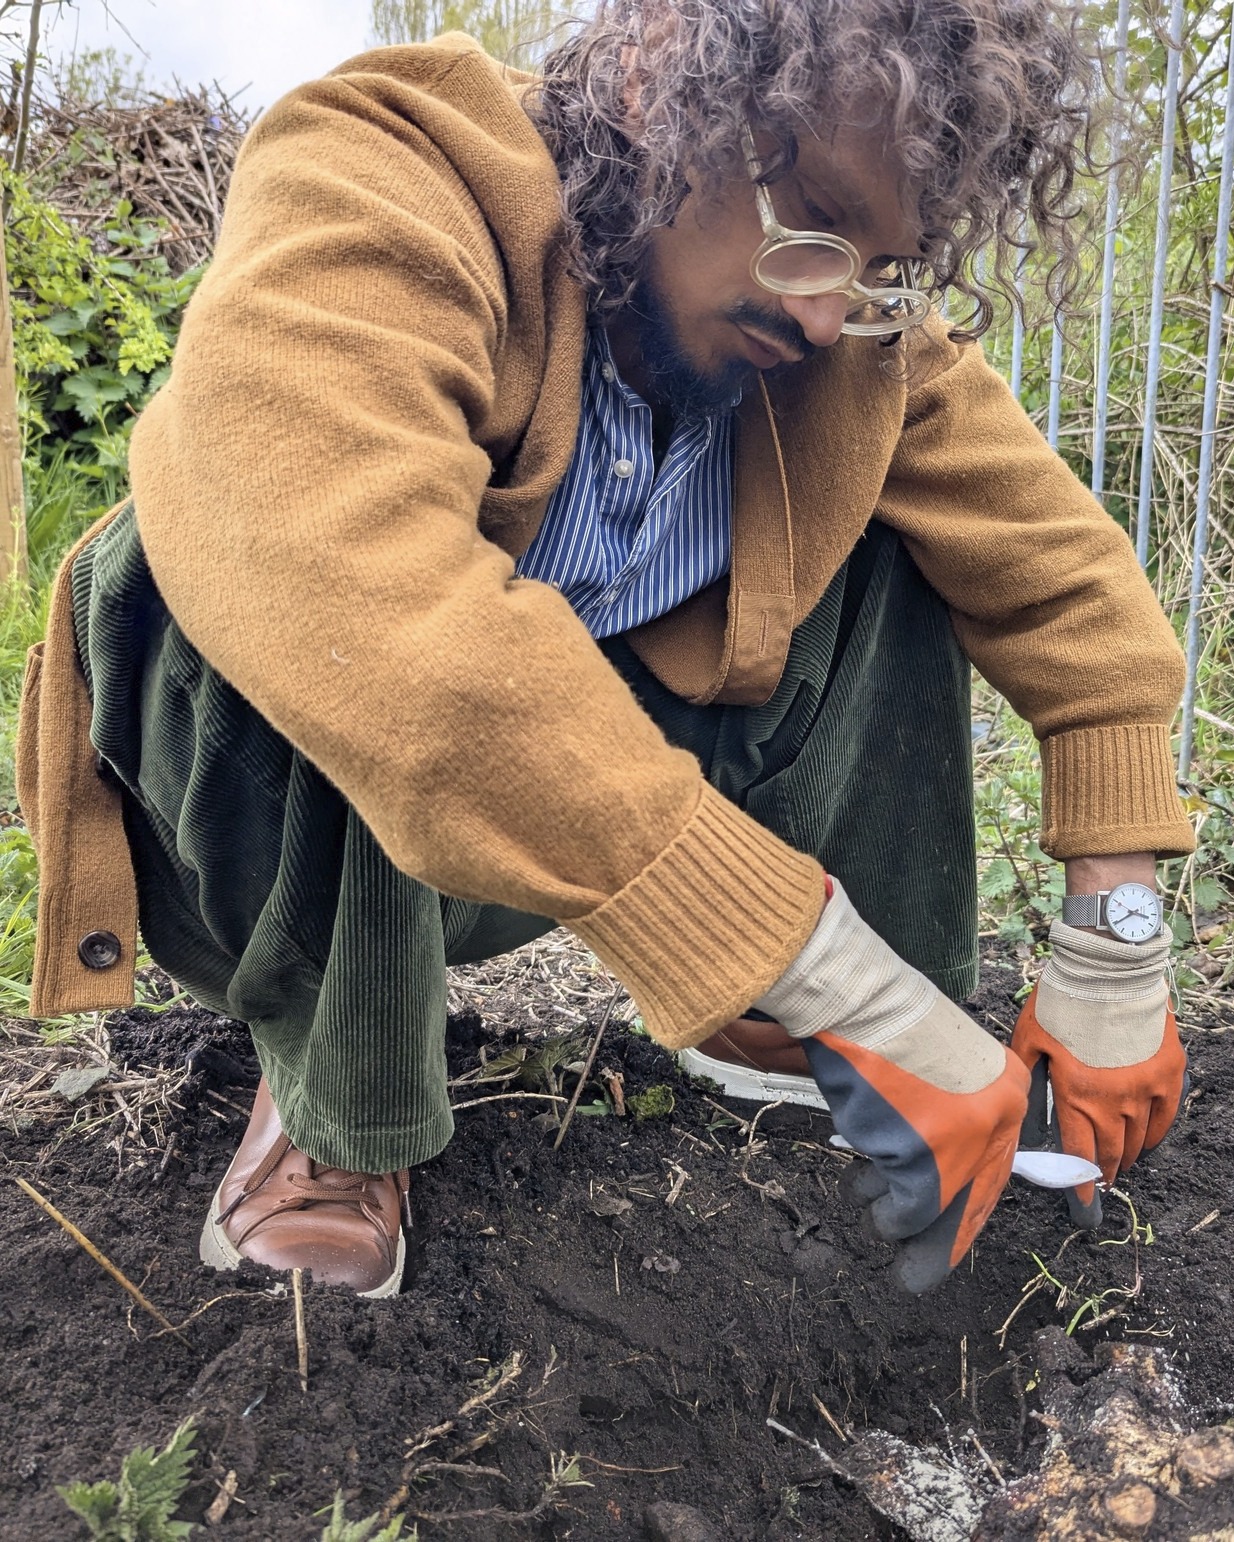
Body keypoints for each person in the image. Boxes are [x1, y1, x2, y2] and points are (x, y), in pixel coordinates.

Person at [18, 0, 1192, 1300]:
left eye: (879, 266)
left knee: (899, 526)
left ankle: (839, 1034)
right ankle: (333, 1122)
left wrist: (1115, 927)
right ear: (653, 79)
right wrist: (806, 949)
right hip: (251, 813)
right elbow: (368, 604)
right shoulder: (391, 173)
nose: (823, 311)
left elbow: (1055, 566)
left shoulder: (842, 317)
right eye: (808, 217)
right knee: (349, 619)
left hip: (556, 813)